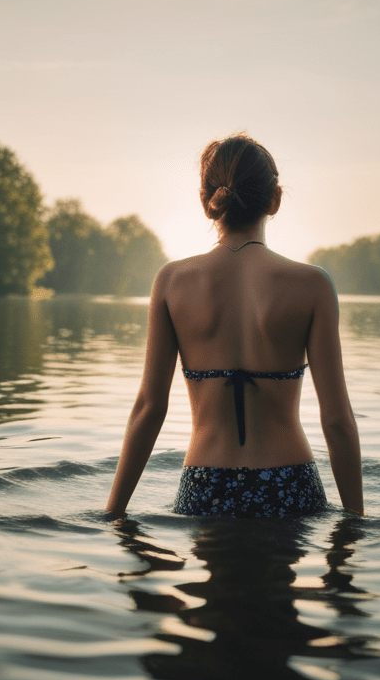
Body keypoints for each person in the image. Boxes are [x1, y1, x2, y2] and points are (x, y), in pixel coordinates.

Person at [106, 134, 364, 517]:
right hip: (290, 484)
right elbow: (337, 421)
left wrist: (113, 514)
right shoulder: (313, 285)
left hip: (205, 485)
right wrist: (355, 527)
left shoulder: (172, 282)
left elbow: (149, 409)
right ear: (274, 199)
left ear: (206, 202)